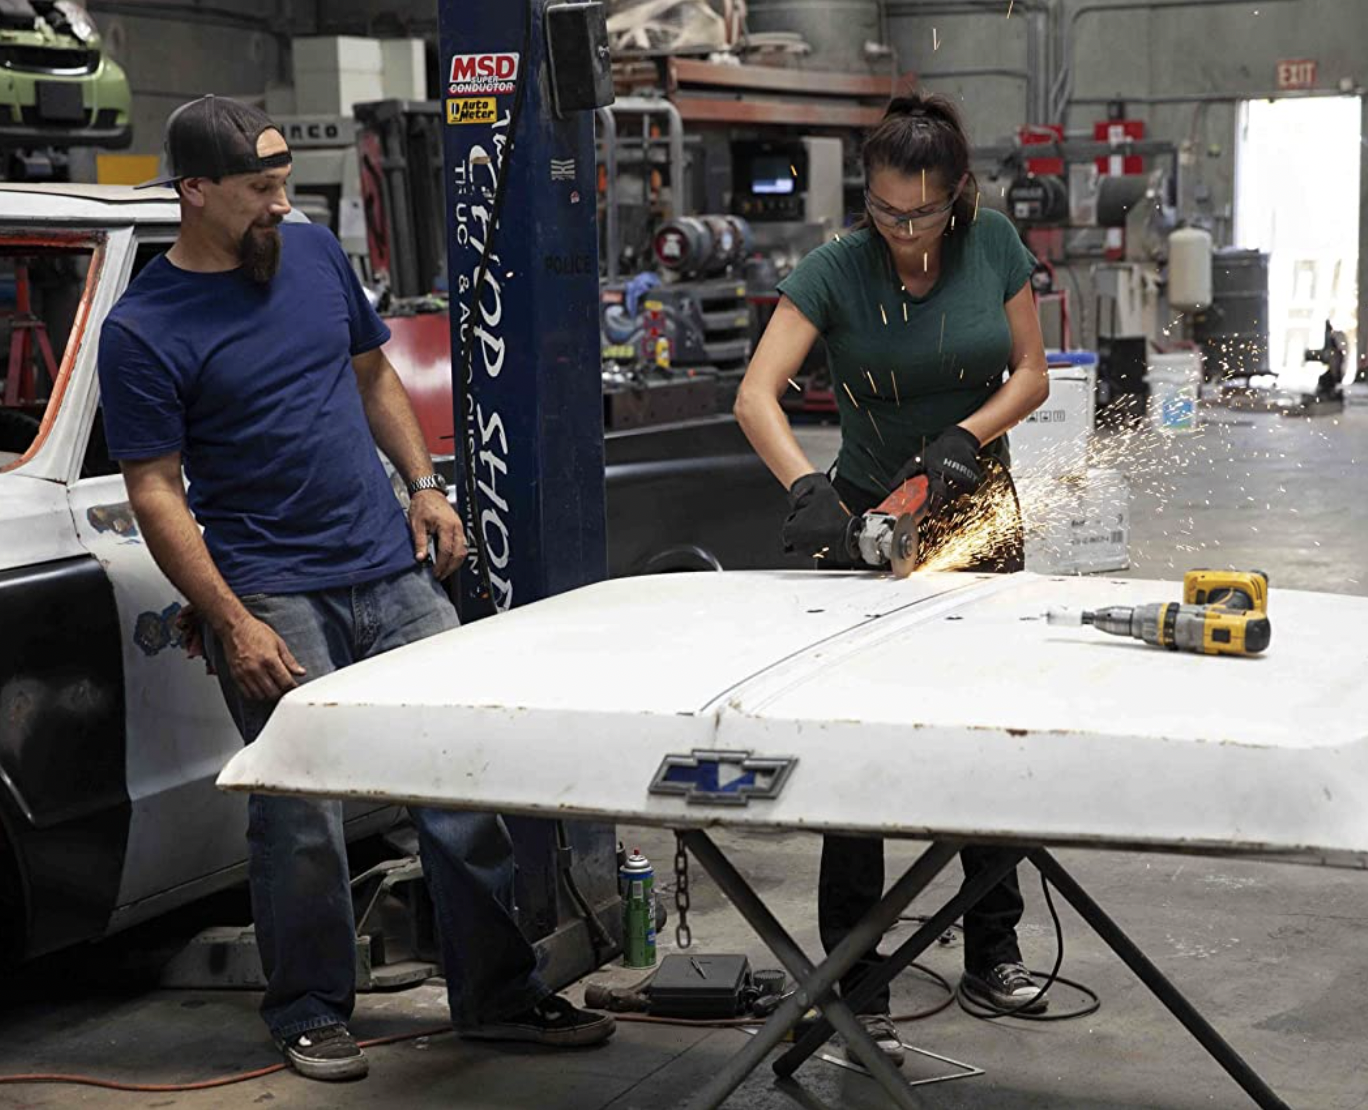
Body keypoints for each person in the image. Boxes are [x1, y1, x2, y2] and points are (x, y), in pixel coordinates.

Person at [97, 95, 614, 1081]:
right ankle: (308, 1010)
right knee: (300, 814)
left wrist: (424, 486)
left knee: (457, 777)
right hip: (272, 593)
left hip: (388, 566)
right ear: (194, 190)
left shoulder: (311, 255)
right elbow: (155, 490)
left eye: (284, 182)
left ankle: (499, 997)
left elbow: (374, 376)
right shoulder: (144, 329)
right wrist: (231, 620)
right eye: (259, 188)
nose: (280, 204)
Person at [733, 91, 1052, 1065]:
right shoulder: (835, 268)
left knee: (984, 738)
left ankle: (992, 948)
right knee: (855, 752)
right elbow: (755, 395)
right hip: (867, 523)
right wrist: (808, 491)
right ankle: (854, 977)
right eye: (883, 211)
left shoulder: (993, 245)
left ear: (957, 196)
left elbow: (1030, 374)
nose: (903, 231)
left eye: (921, 213)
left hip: (977, 512)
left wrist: (968, 433)